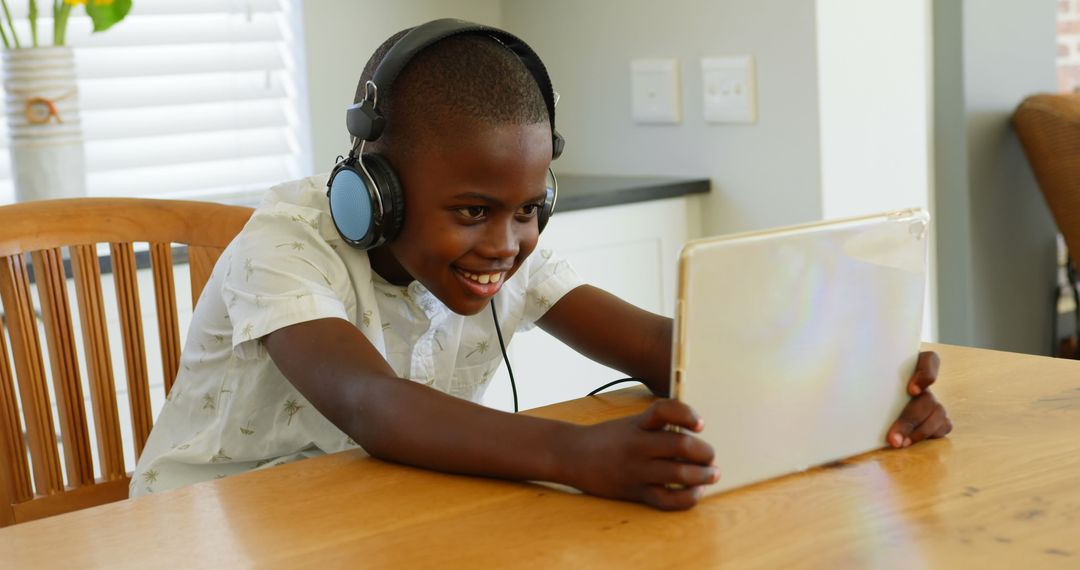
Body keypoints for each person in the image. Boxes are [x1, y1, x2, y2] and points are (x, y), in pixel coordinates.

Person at [130, 20, 951, 511]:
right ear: (374, 192)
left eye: (528, 210)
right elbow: (373, 403)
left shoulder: (505, 251)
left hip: (384, 506)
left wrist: (855, 376)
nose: (505, 244)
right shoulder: (284, 247)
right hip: (208, 530)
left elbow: (668, 351)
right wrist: (577, 456)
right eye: (473, 211)